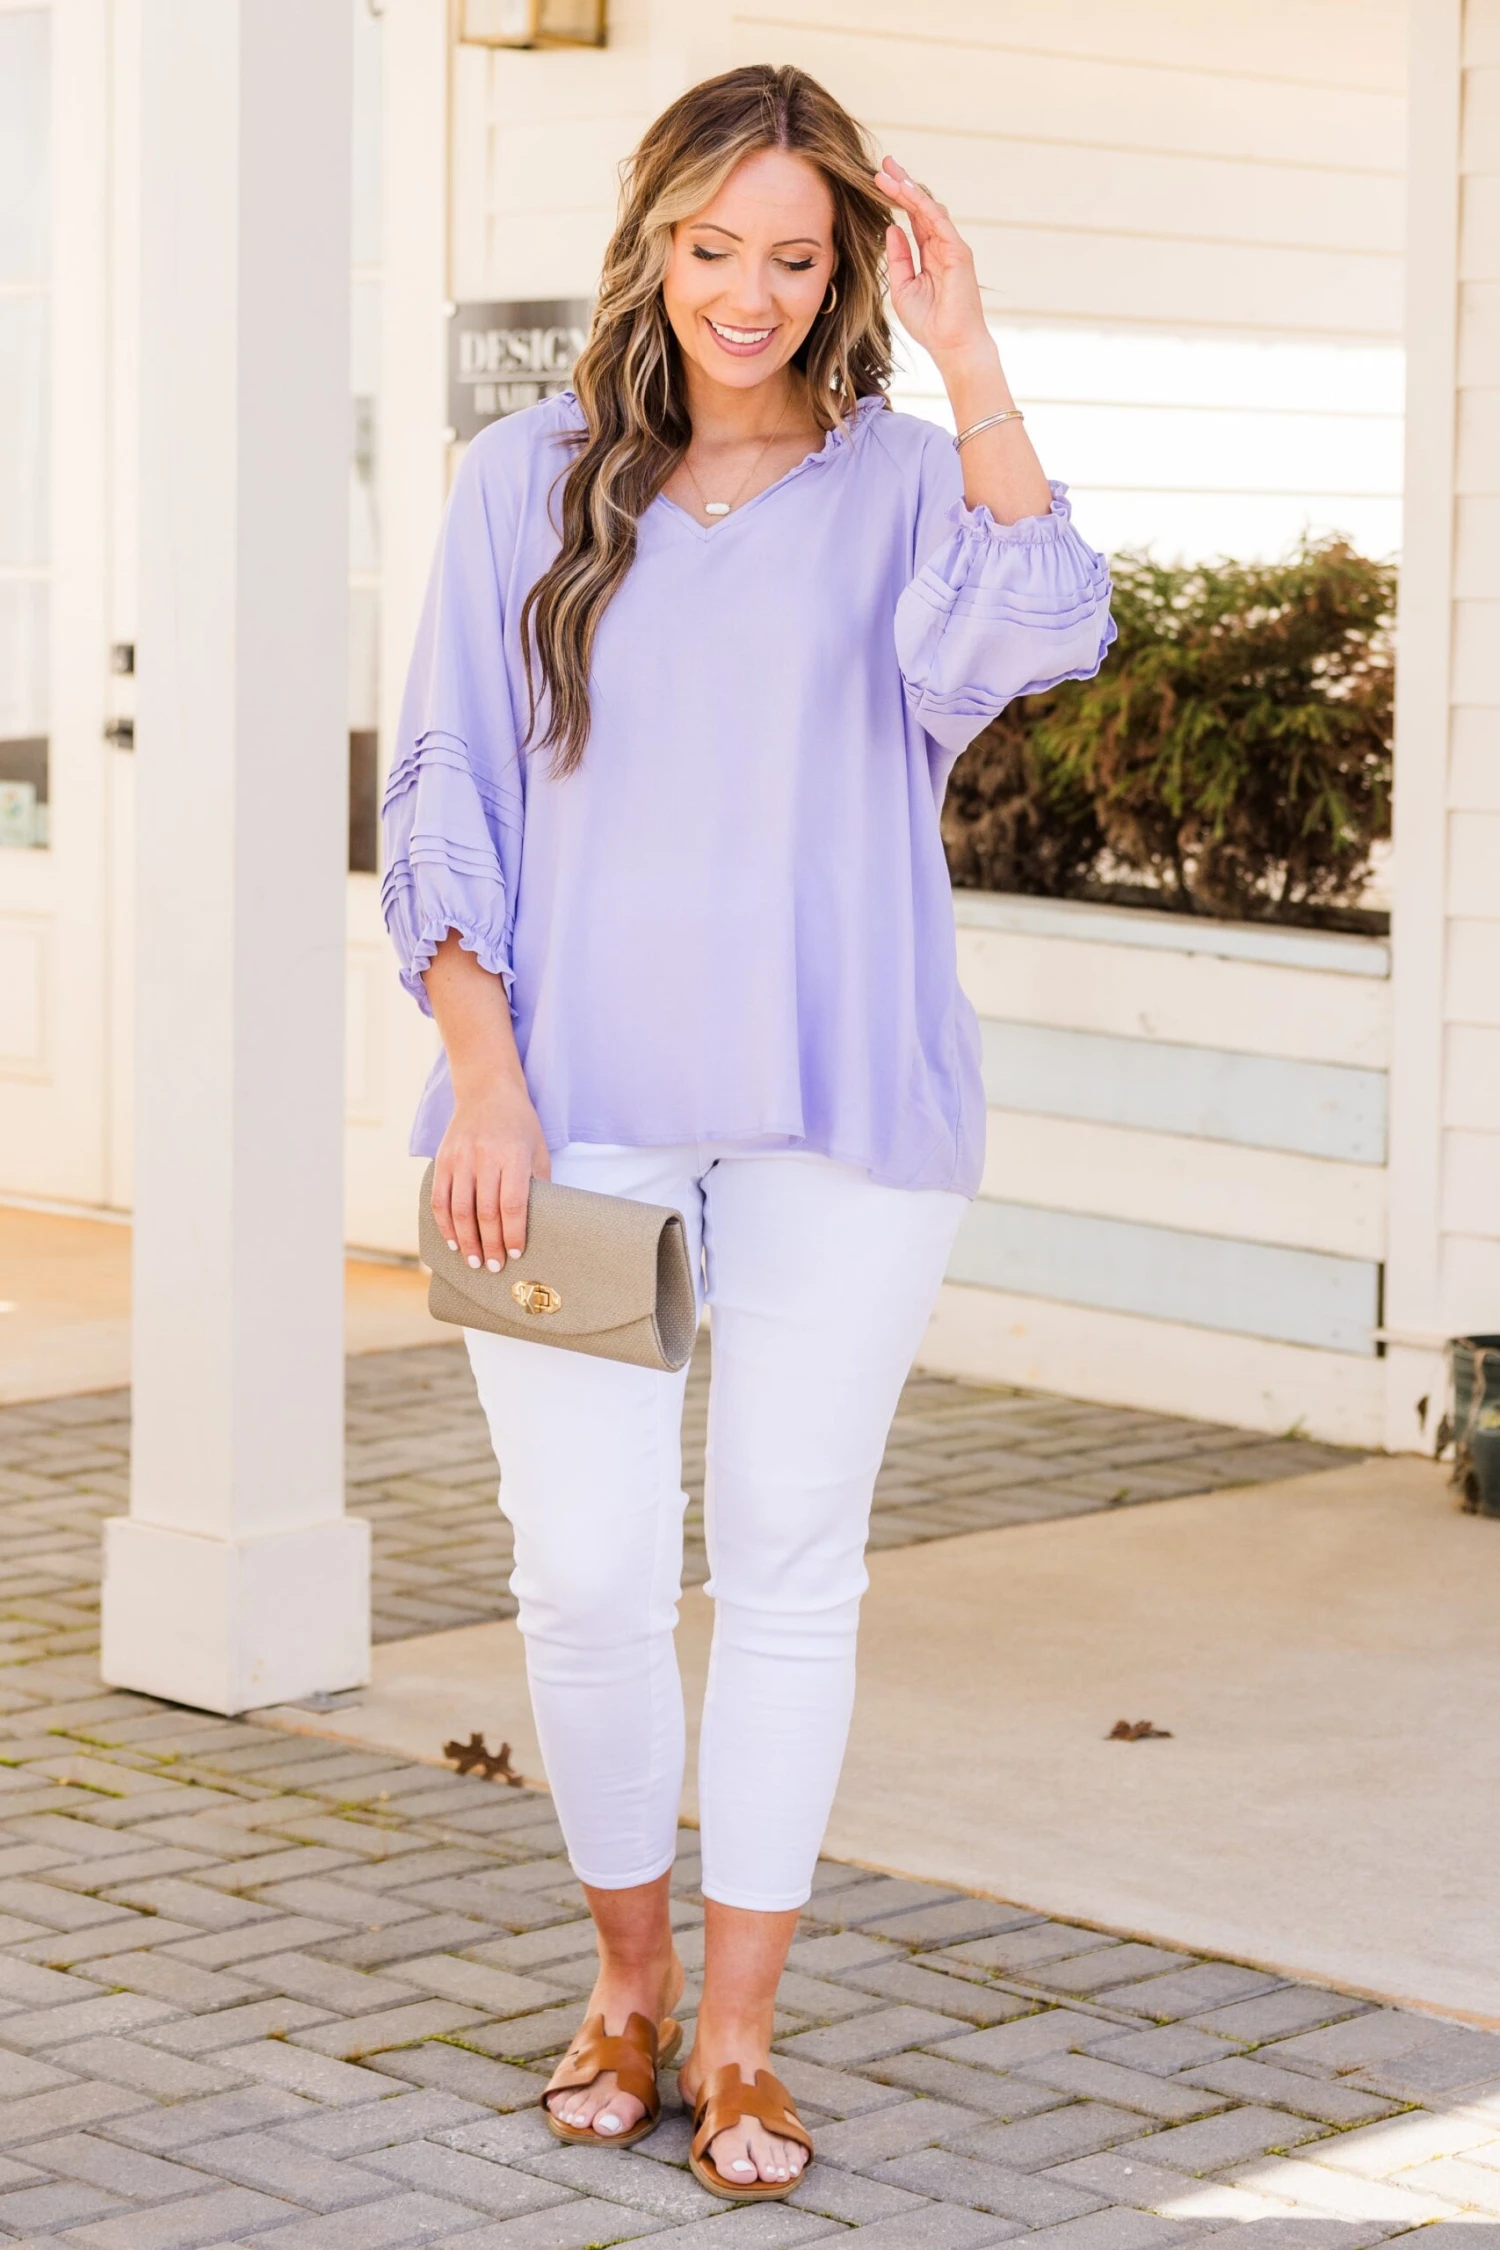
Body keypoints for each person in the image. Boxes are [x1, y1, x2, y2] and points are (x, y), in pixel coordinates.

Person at [381, 61, 1114, 2204]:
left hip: (839, 1107)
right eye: (716, 247)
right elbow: (444, 785)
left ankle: (739, 2035)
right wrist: (486, 1074)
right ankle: (621, 1981)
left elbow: (1045, 625)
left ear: (845, 270)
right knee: (588, 1571)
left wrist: (971, 360)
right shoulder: (522, 480)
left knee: (791, 1569)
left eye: (797, 257)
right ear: (654, 240)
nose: (751, 293)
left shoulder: (902, 484)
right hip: (570, 1116)